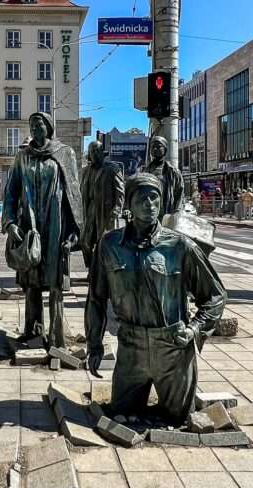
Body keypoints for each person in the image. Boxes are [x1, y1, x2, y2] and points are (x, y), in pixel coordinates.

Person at [85, 173, 227, 423]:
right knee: (122, 414)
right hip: (131, 348)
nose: (149, 204)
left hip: (173, 348)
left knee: (179, 419)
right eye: (142, 198)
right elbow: (96, 298)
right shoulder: (109, 245)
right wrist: (94, 344)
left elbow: (215, 295)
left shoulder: (180, 246)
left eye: (154, 197)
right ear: (129, 204)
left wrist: (194, 329)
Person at [3, 112, 83, 348]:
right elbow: (11, 192)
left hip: (56, 224)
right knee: (32, 281)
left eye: (39, 124)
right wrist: (10, 223)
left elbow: (74, 193)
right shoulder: (23, 156)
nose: (35, 129)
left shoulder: (64, 153)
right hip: (30, 226)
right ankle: (33, 332)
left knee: (55, 281)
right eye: (31, 125)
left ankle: (57, 337)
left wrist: (75, 230)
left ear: (49, 127)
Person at [80, 140, 125, 268]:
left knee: (105, 241)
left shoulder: (112, 168)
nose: (94, 153)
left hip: (106, 211)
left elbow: (120, 191)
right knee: (85, 242)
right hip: (90, 209)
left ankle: (104, 270)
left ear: (102, 153)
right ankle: (91, 268)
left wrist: (117, 208)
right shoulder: (86, 170)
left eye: (97, 151)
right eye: (92, 151)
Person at [142, 136, 184, 218]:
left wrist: (177, 210)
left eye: (158, 146)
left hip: (166, 211)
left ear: (165, 149)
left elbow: (180, 192)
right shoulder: (144, 171)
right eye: (153, 147)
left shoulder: (173, 171)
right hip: (149, 210)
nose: (155, 149)